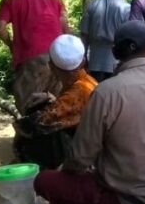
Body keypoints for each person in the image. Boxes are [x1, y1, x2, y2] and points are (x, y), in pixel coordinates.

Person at [34, 21, 145, 204]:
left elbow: (80, 158)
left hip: (133, 196)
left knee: (43, 181)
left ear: (115, 53)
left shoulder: (106, 92)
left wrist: (65, 172)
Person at [0, 0, 71, 111]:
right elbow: (65, 28)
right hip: (56, 59)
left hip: (29, 59)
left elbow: (0, 29)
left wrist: (12, 45)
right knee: (54, 105)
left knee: (29, 107)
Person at [13, 34, 98, 170]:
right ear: (82, 62)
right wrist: (50, 98)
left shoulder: (76, 94)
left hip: (89, 162)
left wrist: (18, 129)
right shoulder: (88, 82)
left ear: (51, 66)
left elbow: (35, 125)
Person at [79, 0, 132, 81]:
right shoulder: (126, 9)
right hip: (115, 62)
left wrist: (83, 58)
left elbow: (84, 34)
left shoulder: (94, 4)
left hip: (93, 59)